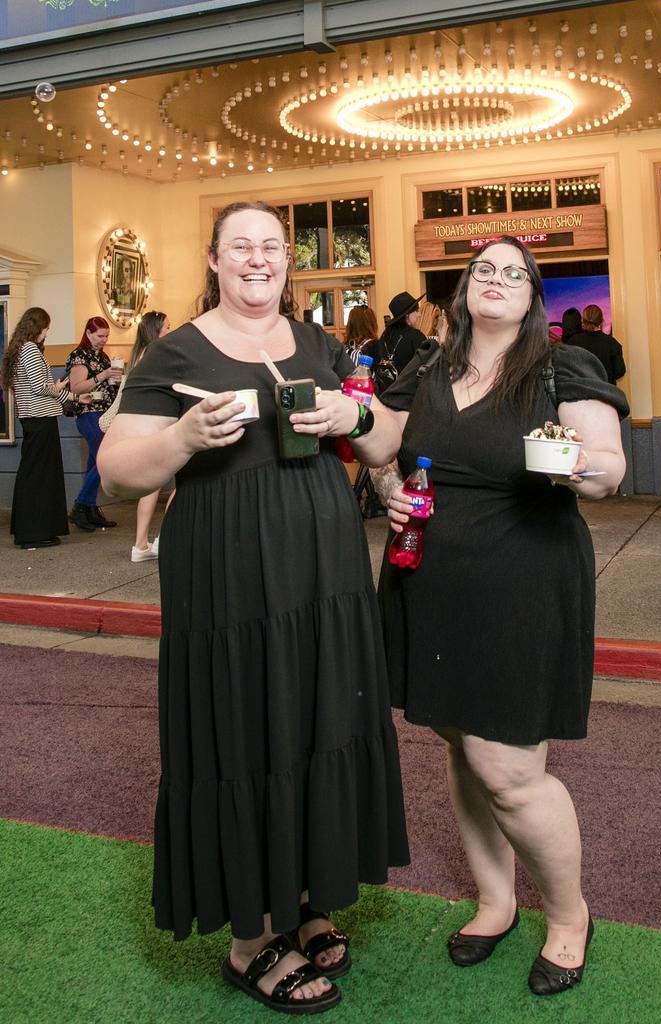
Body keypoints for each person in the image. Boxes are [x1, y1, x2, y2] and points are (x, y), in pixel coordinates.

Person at [97, 201, 409, 1015]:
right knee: (246, 729)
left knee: (315, 723)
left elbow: (382, 442)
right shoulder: (175, 352)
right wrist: (184, 440)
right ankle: (248, 943)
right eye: (242, 247)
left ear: (286, 261)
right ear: (214, 259)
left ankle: (304, 902)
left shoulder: (319, 343)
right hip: (229, 584)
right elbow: (118, 472)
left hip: (325, 576)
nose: (259, 260)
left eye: (272, 247)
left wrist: (357, 414)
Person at [377, 237, 629, 997]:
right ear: (462, 292)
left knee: (508, 767)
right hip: (431, 573)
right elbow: (383, 442)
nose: (496, 280)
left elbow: (610, 465)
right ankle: (494, 901)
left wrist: (583, 465)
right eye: (483, 269)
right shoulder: (428, 365)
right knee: (459, 739)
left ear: (531, 297)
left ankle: (567, 913)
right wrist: (386, 482)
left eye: (514, 273)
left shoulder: (561, 366)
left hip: (522, 579)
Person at [1, 307, 72, 549]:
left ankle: (33, 530)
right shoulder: (30, 349)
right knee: (40, 476)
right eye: (46, 328)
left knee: (34, 474)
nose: (46, 333)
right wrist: (64, 392)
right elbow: (40, 387)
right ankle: (34, 532)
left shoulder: (19, 349)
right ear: (37, 327)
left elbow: (40, 387)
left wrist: (66, 397)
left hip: (33, 417)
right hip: (40, 418)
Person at [109, 310, 172, 561]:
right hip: (159, 423)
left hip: (141, 425)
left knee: (151, 485)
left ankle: (141, 543)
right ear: (156, 330)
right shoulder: (159, 355)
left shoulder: (138, 355)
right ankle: (162, 538)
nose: (171, 329)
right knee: (185, 480)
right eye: (167, 326)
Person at [65, 316, 124, 531]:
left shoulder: (104, 356)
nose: (103, 340)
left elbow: (108, 385)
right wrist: (103, 374)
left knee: (94, 462)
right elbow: (77, 387)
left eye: (106, 336)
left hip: (104, 413)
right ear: (88, 333)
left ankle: (89, 508)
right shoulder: (79, 356)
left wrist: (115, 379)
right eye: (100, 336)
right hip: (88, 414)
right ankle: (81, 505)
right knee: (104, 459)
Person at [370, 290, 426, 390]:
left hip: (385, 393)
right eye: (417, 311)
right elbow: (426, 369)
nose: (419, 315)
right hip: (409, 395)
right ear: (407, 315)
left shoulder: (385, 335)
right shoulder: (416, 336)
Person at [568, 304, 626, 385]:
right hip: (606, 392)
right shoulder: (612, 343)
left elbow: (569, 370)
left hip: (582, 392)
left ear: (583, 321)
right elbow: (619, 372)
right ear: (602, 321)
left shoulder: (573, 342)